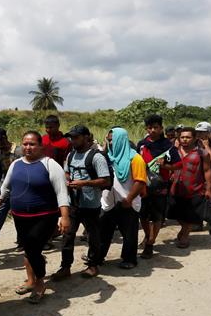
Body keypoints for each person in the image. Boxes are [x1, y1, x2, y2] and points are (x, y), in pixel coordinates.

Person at [0, 132, 69, 303]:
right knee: (28, 248)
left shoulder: (50, 165)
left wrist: (64, 217)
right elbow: (5, 186)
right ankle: (31, 280)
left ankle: (40, 282)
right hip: (20, 216)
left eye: (32, 144)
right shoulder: (16, 164)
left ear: (41, 146)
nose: (28, 147)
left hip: (44, 217)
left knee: (33, 249)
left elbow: (62, 193)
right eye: (25, 144)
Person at [52, 125, 110, 280]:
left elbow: (106, 180)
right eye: (71, 137)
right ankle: (65, 267)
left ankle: (93, 265)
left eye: (76, 137)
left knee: (93, 236)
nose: (72, 140)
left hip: (91, 205)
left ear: (86, 137)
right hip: (73, 204)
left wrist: (84, 183)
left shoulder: (96, 157)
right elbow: (67, 172)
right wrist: (67, 181)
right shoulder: (71, 155)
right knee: (67, 236)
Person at [94, 127, 147, 272]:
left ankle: (129, 259)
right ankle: (97, 257)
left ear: (121, 140)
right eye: (109, 140)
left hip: (127, 203)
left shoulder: (135, 158)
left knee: (129, 233)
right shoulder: (108, 157)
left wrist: (129, 199)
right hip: (109, 203)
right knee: (103, 232)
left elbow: (140, 181)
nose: (110, 143)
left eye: (113, 140)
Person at [136, 114, 181, 259]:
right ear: (146, 129)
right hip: (142, 186)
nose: (153, 130)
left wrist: (165, 165)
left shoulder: (168, 146)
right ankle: (147, 236)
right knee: (142, 215)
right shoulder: (141, 144)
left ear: (161, 128)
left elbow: (178, 165)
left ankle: (150, 243)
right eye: (150, 127)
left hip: (160, 187)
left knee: (156, 217)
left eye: (156, 127)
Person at [168, 127, 211, 248]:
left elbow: (207, 170)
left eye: (188, 137)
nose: (185, 139)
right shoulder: (173, 152)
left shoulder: (202, 153)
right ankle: (184, 229)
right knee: (176, 214)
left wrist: (209, 189)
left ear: (194, 138)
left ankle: (185, 235)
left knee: (190, 215)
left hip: (194, 190)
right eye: (182, 137)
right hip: (175, 189)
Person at [0, 127, 22, 252]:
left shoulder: (19, 151)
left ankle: (23, 241)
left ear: (4, 139)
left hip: (19, 190)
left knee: (19, 217)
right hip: (3, 190)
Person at [195, 122, 211, 235]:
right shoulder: (193, 145)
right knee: (197, 201)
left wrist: (206, 147)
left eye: (203, 132)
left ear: (209, 133)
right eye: (198, 132)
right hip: (197, 178)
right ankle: (198, 223)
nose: (200, 134)